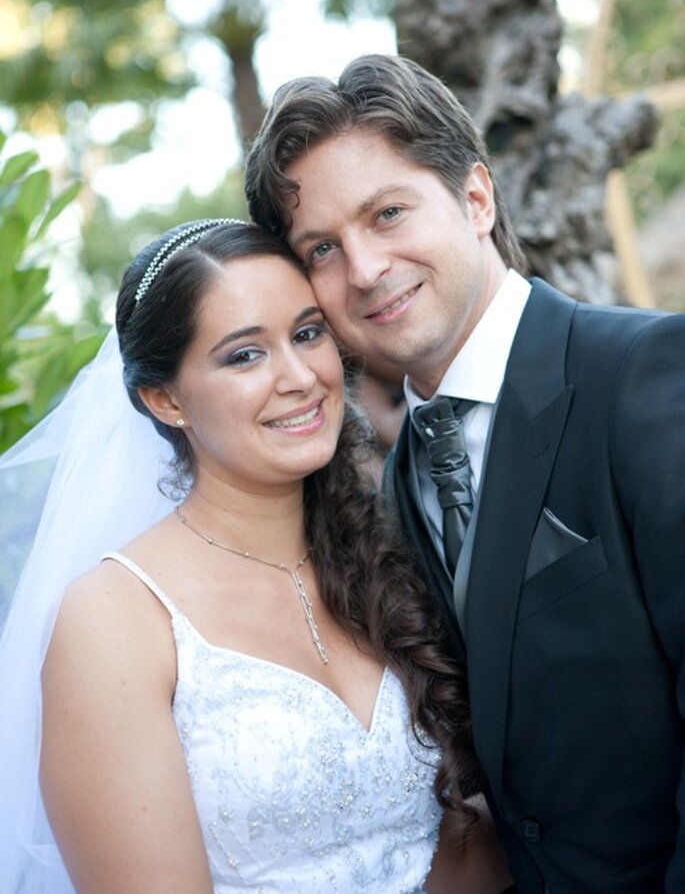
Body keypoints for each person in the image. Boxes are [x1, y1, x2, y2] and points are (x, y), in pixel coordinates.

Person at [244, 53, 685, 893]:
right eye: (323, 249)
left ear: (475, 198)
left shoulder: (644, 375)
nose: (365, 269)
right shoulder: (402, 477)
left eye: (387, 214)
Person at [0, 218, 512, 893]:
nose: (299, 376)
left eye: (306, 334)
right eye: (244, 355)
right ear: (166, 399)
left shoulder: (389, 546)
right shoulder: (115, 618)